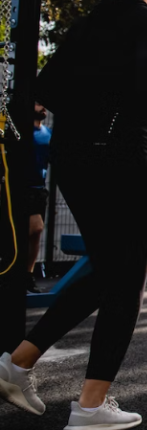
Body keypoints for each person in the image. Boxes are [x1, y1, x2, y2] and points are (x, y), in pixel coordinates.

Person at [0, 0, 147, 430]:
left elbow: (44, 89)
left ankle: (16, 363)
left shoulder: (91, 23)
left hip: (75, 161)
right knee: (126, 280)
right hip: (118, 159)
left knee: (105, 270)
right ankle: (91, 405)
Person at [26, 103, 51, 293]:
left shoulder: (47, 133)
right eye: (38, 103)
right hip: (20, 189)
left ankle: (28, 275)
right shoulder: (18, 131)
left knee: (36, 234)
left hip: (39, 189)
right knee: (35, 228)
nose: (43, 107)